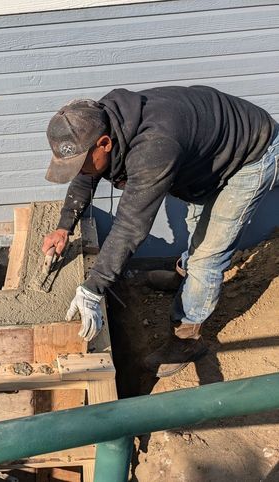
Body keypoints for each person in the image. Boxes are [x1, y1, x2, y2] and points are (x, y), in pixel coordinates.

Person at [42, 85, 278, 377]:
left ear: (104, 143)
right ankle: (186, 278)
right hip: (211, 155)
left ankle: (186, 340)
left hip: (249, 156)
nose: (78, 170)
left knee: (208, 257)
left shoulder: (154, 145)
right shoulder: (96, 120)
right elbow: (88, 173)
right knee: (197, 227)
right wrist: (64, 226)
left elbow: (130, 225)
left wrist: (94, 288)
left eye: (80, 162)